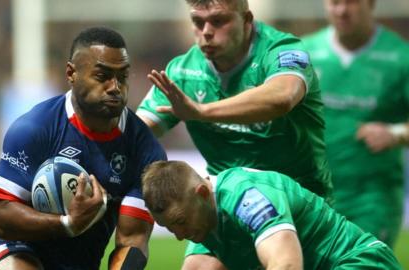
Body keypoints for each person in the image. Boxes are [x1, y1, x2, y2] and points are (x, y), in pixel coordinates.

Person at [136, 0, 332, 268]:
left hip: (296, 199)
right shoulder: (182, 71)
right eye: (198, 22)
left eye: (218, 21)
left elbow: (282, 96)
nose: (206, 31)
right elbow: (137, 132)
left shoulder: (282, 50)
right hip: (223, 204)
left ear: (246, 20)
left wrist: (201, 111)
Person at [0, 26, 167, 270]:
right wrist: (66, 223)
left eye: (123, 76)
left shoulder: (145, 149)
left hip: (79, 261)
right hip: (14, 247)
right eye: (102, 76)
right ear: (71, 73)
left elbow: (132, 238)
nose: (115, 87)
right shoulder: (35, 128)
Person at [142, 160, 402, 269]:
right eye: (170, 228)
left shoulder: (246, 196)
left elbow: (286, 264)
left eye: (179, 222)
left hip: (357, 261)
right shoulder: (200, 220)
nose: (179, 236)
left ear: (202, 192)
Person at [303, 0, 409, 247]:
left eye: (351, 1)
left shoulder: (401, 57)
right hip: (312, 193)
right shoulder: (305, 52)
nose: (341, 10)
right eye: (334, 2)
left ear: (371, 4)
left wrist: (395, 133)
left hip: (371, 198)